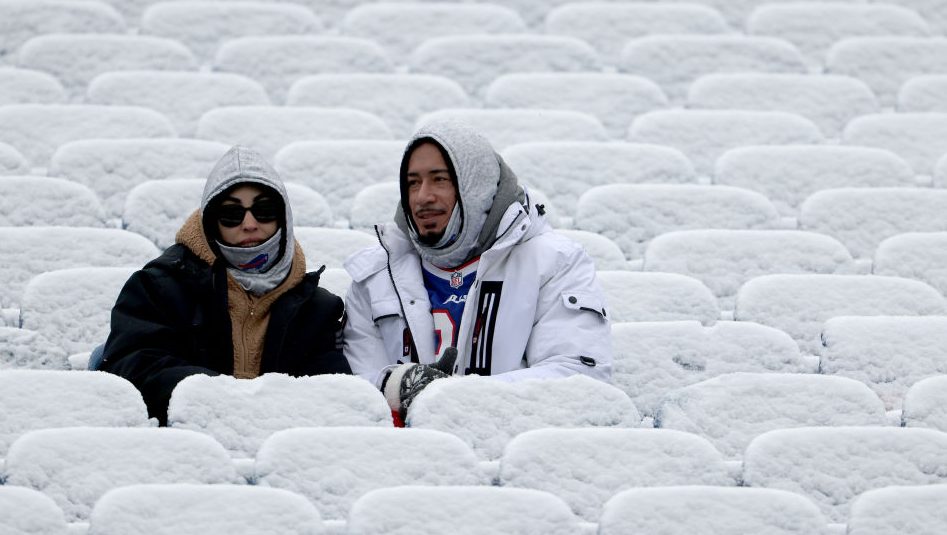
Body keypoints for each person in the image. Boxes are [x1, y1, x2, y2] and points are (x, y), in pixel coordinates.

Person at [343, 120, 611, 424]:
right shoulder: (374, 275)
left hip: (511, 447)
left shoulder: (555, 262)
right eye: (412, 183)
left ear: (477, 186)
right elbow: (354, 393)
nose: (422, 197)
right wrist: (398, 385)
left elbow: (579, 378)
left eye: (439, 179)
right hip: (403, 459)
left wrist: (453, 398)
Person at [98, 145, 351, 424]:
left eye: (264, 210)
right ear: (210, 222)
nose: (250, 224)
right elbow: (130, 368)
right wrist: (222, 397)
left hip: (281, 441)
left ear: (284, 218)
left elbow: (331, 393)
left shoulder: (318, 308)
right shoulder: (157, 288)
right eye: (231, 214)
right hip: (182, 440)